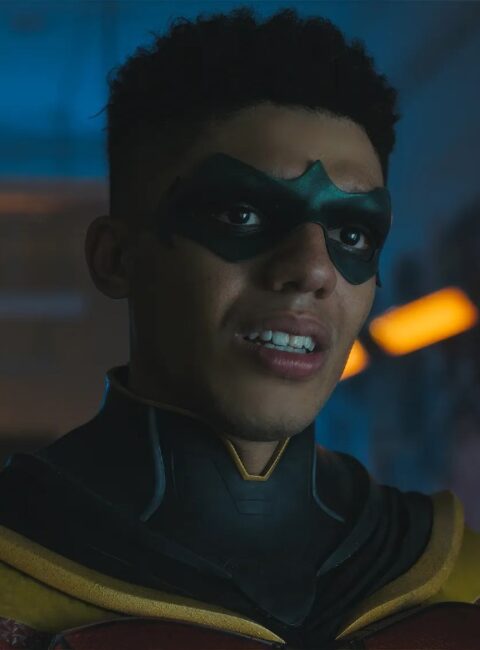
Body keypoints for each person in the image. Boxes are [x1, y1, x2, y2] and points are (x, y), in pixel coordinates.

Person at [0, 6, 478, 650]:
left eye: (352, 233)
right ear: (116, 258)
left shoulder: (455, 573)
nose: (313, 269)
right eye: (242, 214)